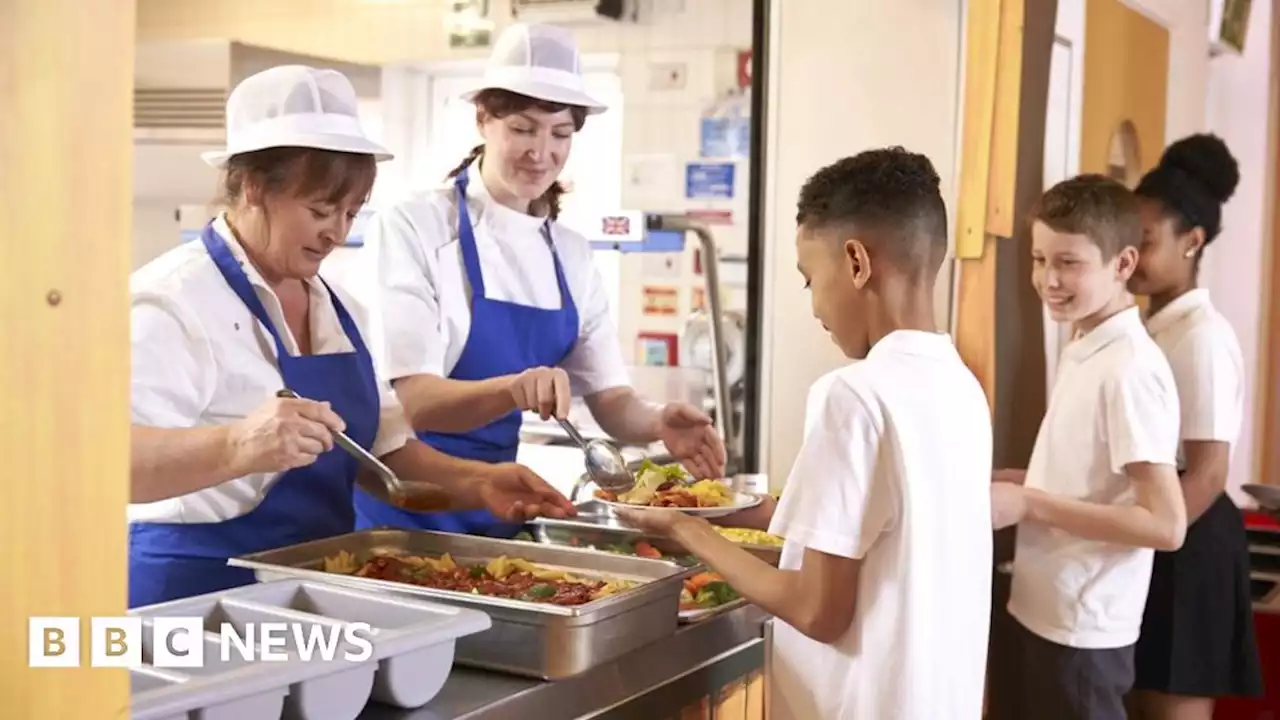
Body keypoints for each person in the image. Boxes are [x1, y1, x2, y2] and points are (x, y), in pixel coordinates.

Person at [128, 65, 573, 609]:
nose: (336, 233)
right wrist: (238, 444)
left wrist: (479, 483)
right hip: (192, 596)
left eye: (350, 213)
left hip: (310, 594)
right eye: (319, 210)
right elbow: (107, 464)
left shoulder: (340, 307)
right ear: (251, 188)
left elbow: (383, 455)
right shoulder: (173, 301)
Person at [619, 148, 995, 720]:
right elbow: (878, 528)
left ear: (856, 263)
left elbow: (819, 609)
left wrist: (687, 529)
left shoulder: (853, 393)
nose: (815, 306)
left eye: (810, 279)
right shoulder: (960, 386)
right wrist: (729, 512)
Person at [358, 23, 725, 537]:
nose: (541, 152)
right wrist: (514, 388)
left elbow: (612, 401)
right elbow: (419, 404)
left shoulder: (570, 254)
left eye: (560, 133)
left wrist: (658, 420)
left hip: (503, 509)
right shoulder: (415, 226)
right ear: (483, 118)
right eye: (523, 128)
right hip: (409, 510)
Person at [988, 174, 1188, 720]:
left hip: (1082, 630)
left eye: (1068, 263)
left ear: (1123, 264)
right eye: (1038, 259)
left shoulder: (1130, 368)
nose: (1048, 279)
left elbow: (1165, 525)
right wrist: (1021, 481)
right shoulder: (1085, 343)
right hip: (1043, 607)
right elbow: (1097, 476)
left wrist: (1031, 503)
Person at [1125, 134, 1264, 719]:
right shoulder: (1149, 328)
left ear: (1193, 241)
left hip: (1189, 543)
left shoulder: (1201, 337)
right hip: (1158, 536)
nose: (1129, 254)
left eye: (1146, 241)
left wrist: (1135, 538)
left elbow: (1207, 474)